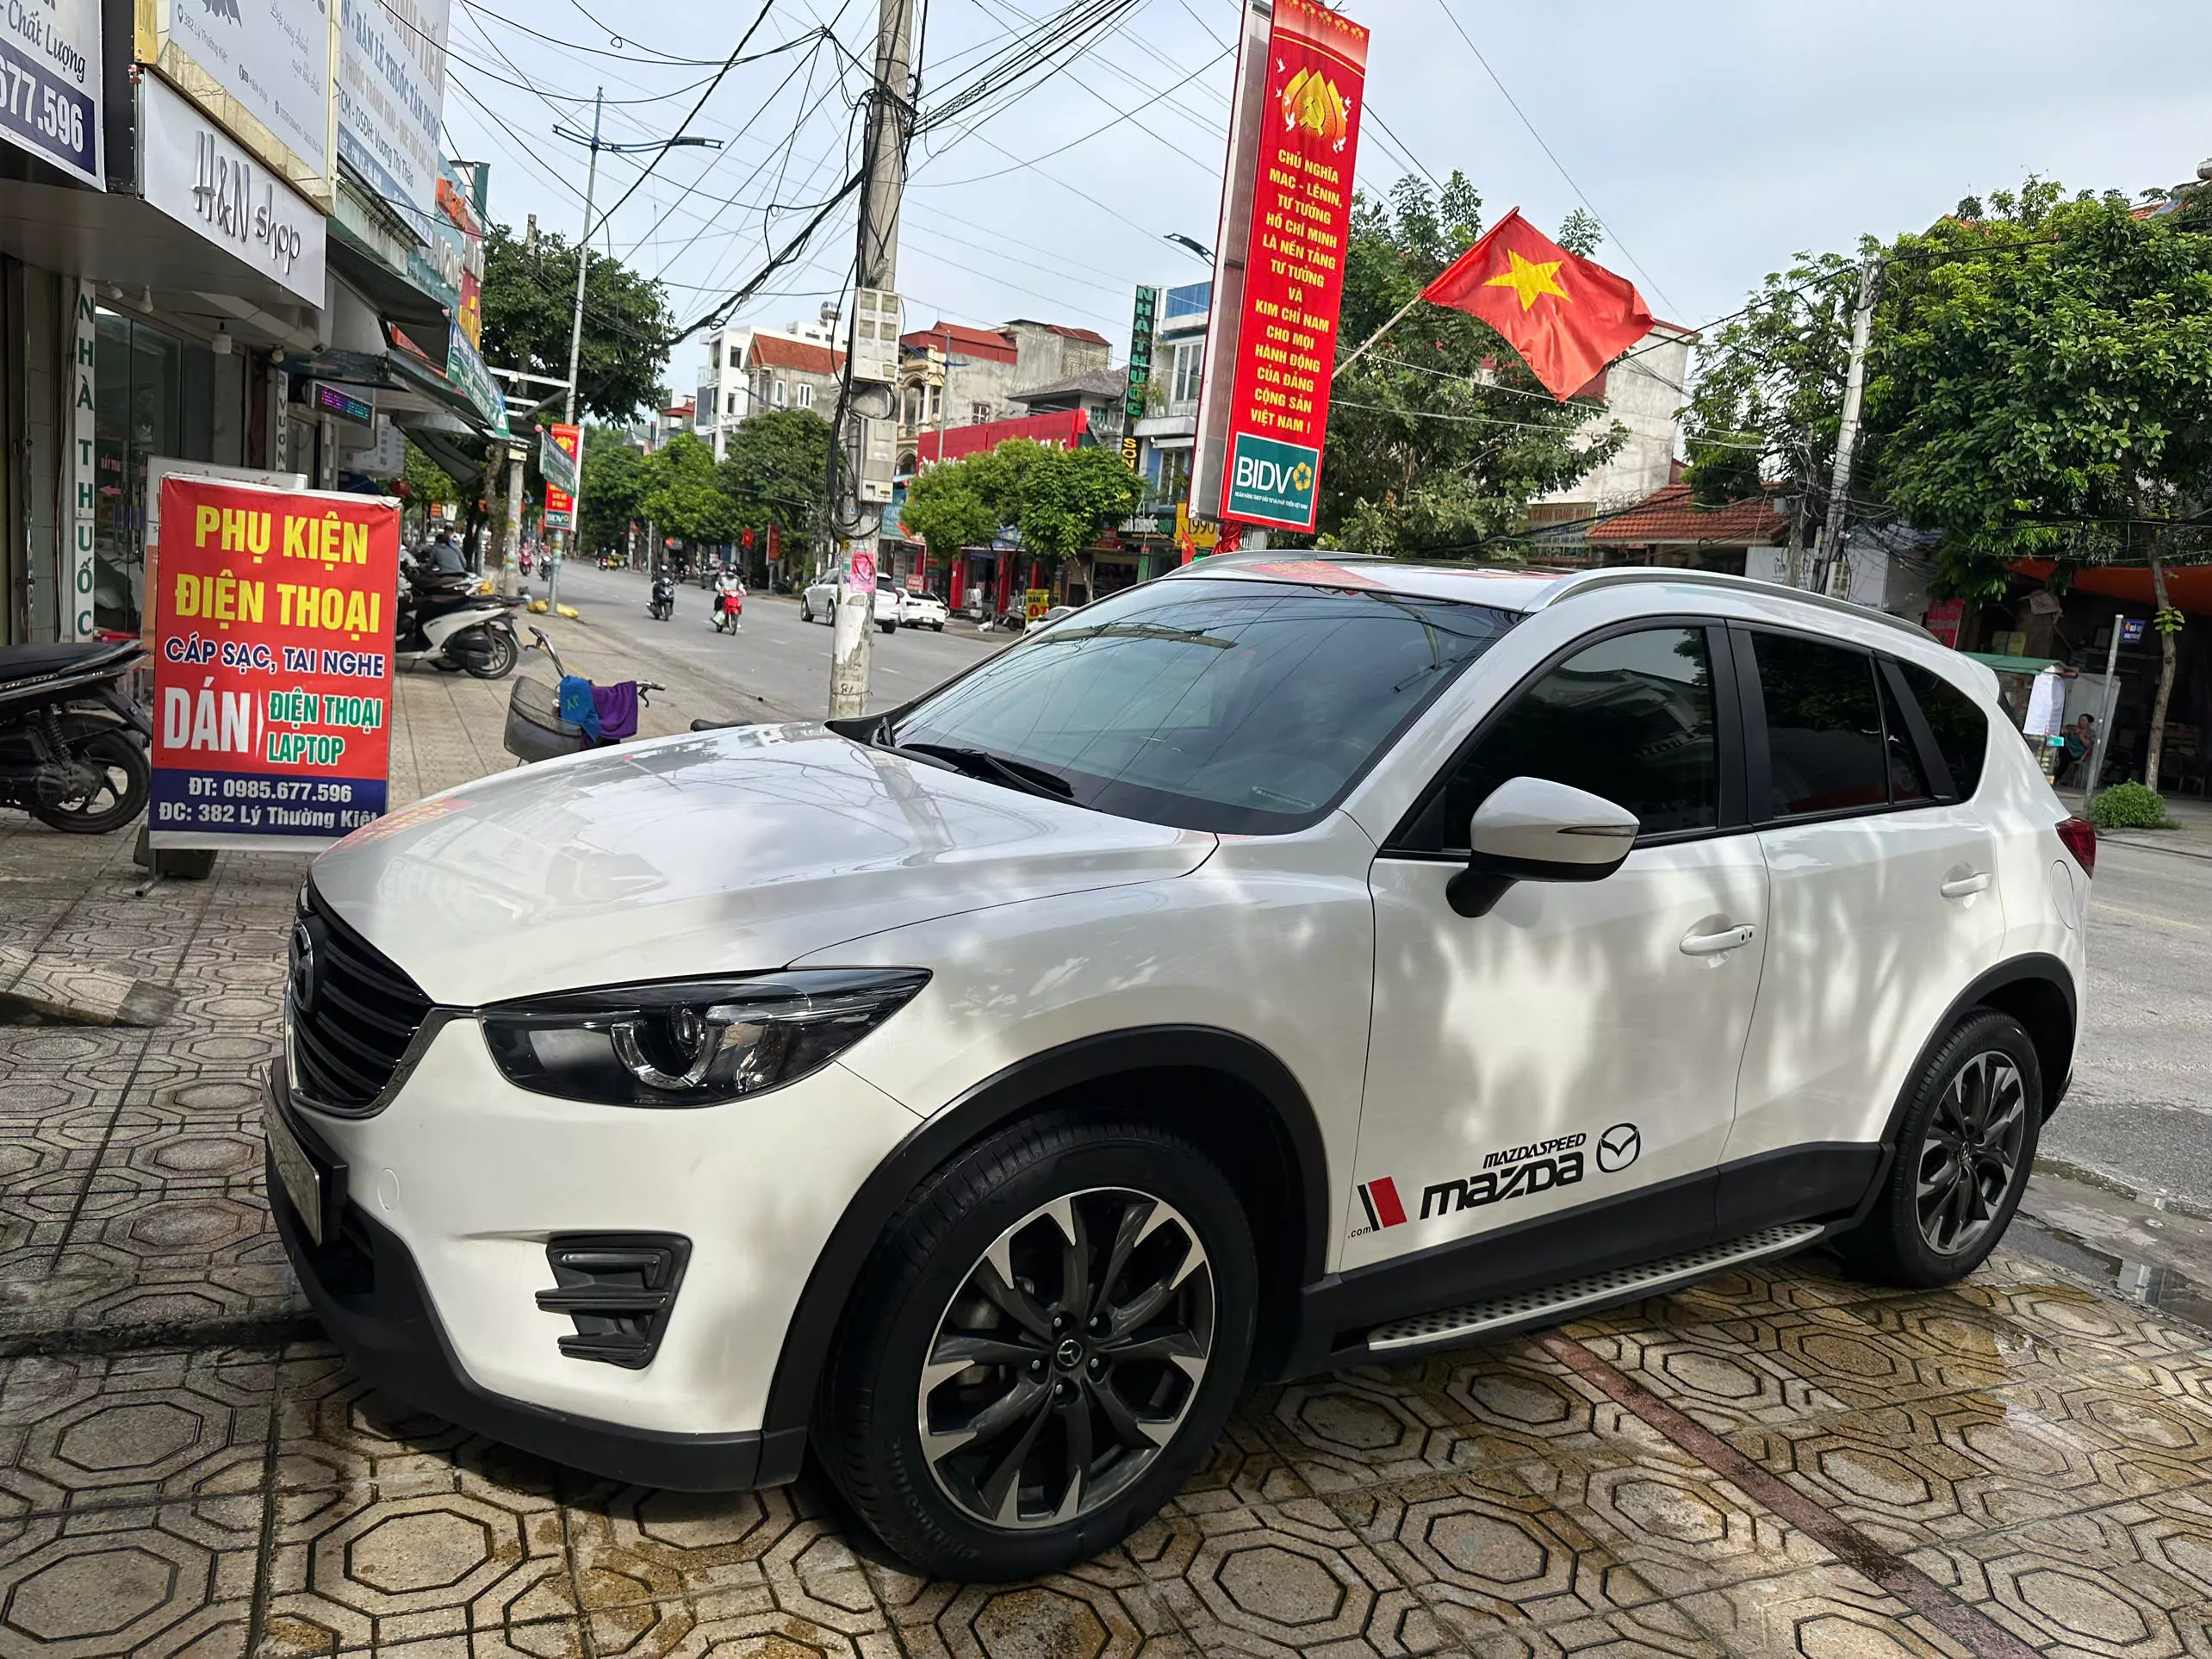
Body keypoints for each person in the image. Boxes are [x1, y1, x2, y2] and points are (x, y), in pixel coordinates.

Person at [2060, 712, 2096, 785]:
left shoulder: (2091, 733)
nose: (2080, 722)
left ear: (2089, 723)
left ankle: (2058, 778)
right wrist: (2065, 731)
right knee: (2062, 753)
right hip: (2066, 749)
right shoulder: (2072, 728)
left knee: (2064, 756)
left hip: (2077, 753)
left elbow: (2087, 744)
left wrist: (2080, 734)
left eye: (2083, 720)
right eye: (2080, 720)